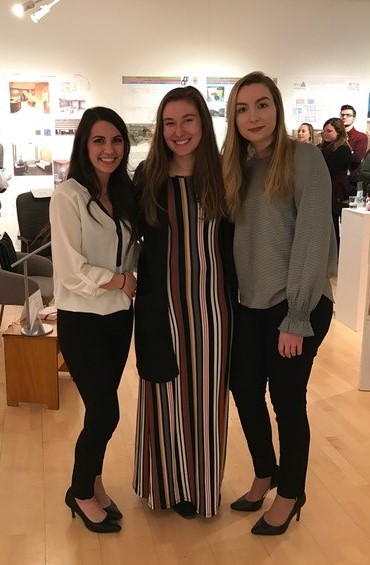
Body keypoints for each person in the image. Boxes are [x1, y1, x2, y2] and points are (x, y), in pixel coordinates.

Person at [221, 71, 337, 536]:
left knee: (288, 402)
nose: (253, 116)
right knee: (244, 388)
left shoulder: (304, 158)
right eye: (242, 108)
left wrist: (297, 316)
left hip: (296, 305)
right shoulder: (238, 165)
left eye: (262, 104)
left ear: (277, 108)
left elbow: (312, 238)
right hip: (251, 305)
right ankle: (265, 471)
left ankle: (291, 492)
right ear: (233, 116)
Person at [132, 86, 235, 519]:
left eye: (188, 120)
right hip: (163, 308)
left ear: (202, 123)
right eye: (170, 122)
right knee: (165, 396)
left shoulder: (228, 176)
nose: (179, 131)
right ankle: (163, 487)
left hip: (216, 311)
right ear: (161, 128)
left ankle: (199, 487)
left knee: (208, 402)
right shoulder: (147, 177)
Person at [50, 107, 140, 533]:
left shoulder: (123, 194)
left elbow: (134, 251)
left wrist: (131, 280)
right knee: (106, 413)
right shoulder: (68, 195)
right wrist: (120, 279)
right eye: (99, 141)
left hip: (119, 320)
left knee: (97, 411)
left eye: (116, 140)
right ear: (84, 145)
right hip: (82, 320)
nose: (109, 150)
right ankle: (80, 491)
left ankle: (96, 482)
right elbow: (71, 270)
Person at [318, 117, 352, 251]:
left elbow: (327, 168)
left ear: (338, 132)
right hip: (323, 190)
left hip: (335, 191)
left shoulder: (343, 150)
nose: (325, 133)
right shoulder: (321, 148)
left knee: (332, 222)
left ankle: (335, 252)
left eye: (329, 131)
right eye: (324, 131)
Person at [340, 104, 368, 195]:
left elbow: (357, 158)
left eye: (348, 115)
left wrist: (338, 155)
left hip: (352, 179)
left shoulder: (361, 137)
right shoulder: (336, 136)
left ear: (354, 118)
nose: (344, 117)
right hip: (337, 177)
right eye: (342, 115)